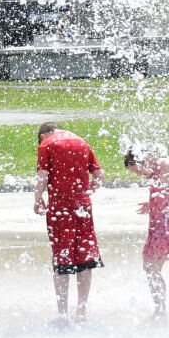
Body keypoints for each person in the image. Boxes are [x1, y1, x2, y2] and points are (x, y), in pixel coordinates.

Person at [34, 121, 105, 322]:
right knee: (85, 258)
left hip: (60, 208)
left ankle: (62, 313)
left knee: (61, 257)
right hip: (83, 207)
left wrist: (38, 199)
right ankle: (81, 311)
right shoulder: (82, 142)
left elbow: (42, 177)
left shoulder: (46, 145)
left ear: (44, 134)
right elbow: (100, 176)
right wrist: (86, 191)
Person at [126, 148, 169, 316]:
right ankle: (160, 306)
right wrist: (151, 203)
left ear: (144, 159)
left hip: (168, 225)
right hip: (158, 225)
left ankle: (160, 308)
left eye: (138, 170)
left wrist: (163, 182)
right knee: (150, 267)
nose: (139, 174)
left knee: (151, 267)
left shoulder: (164, 165)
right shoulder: (154, 171)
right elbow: (166, 192)